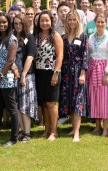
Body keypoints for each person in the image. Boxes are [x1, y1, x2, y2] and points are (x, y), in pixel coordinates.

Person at [33, 11, 65, 140]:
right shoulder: (36, 36)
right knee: (44, 104)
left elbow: (60, 56)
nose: (44, 23)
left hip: (52, 72)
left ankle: (54, 131)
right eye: (42, 20)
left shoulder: (55, 36)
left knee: (51, 103)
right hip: (39, 73)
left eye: (47, 20)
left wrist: (56, 73)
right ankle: (46, 130)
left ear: (51, 21)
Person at [58, 11, 89, 141]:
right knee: (69, 100)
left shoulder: (82, 36)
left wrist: (82, 73)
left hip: (77, 71)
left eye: (74, 20)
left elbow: (85, 56)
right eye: (69, 19)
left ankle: (77, 133)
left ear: (78, 21)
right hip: (66, 71)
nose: (72, 22)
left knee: (77, 101)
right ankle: (73, 128)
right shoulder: (63, 37)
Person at [0, 13, 20, 146]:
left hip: (7, 79)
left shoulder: (12, 39)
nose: (1, 25)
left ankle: (14, 138)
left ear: (9, 23)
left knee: (11, 108)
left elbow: (10, 61)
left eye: (4, 22)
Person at [12, 15, 39, 142]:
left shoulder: (30, 37)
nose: (18, 26)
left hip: (26, 76)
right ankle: (22, 131)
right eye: (15, 23)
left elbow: (30, 57)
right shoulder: (12, 37)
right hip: (14, 76)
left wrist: (23, 75)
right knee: (17, 105)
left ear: (24, 24)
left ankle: (27, 133)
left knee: (25, 105)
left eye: (20, 23)